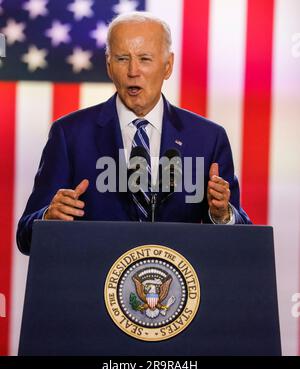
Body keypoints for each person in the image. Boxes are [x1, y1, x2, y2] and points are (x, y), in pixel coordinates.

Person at [17, 12, 251, 254]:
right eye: (122, 58)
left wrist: (223, 215)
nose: (133, 71)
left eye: (145, 59)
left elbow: (241, 242)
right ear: (109, 65)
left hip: (178, 287)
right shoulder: (69, 135)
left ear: (168, 65)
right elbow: (25, 238)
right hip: (94, 287)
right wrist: (49, 217)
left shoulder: (207, 139)